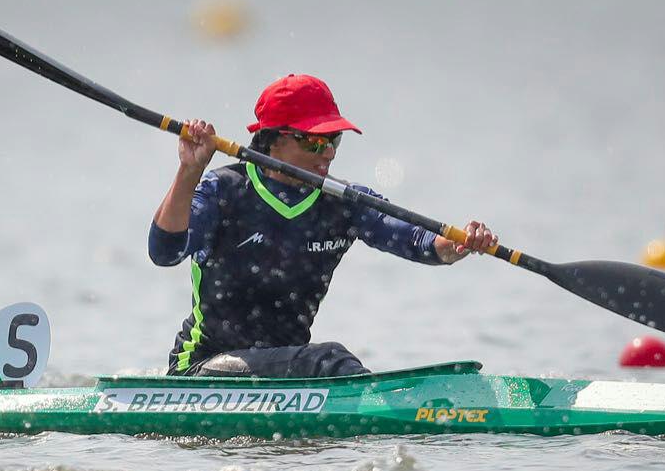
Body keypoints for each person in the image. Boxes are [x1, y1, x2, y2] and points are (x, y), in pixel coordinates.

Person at [148, 73, 497, 378]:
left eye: (334, 140)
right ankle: (375, 410)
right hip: (204, 369)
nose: (328, 153)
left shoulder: (342, 203)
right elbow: (164, 253)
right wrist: (189, 171)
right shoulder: (224, 190)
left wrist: (457, 244)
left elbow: (417, 240)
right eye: (315, 141)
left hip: (289, 374)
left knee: (321, 362)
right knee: (329, 360)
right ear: (275, 139)